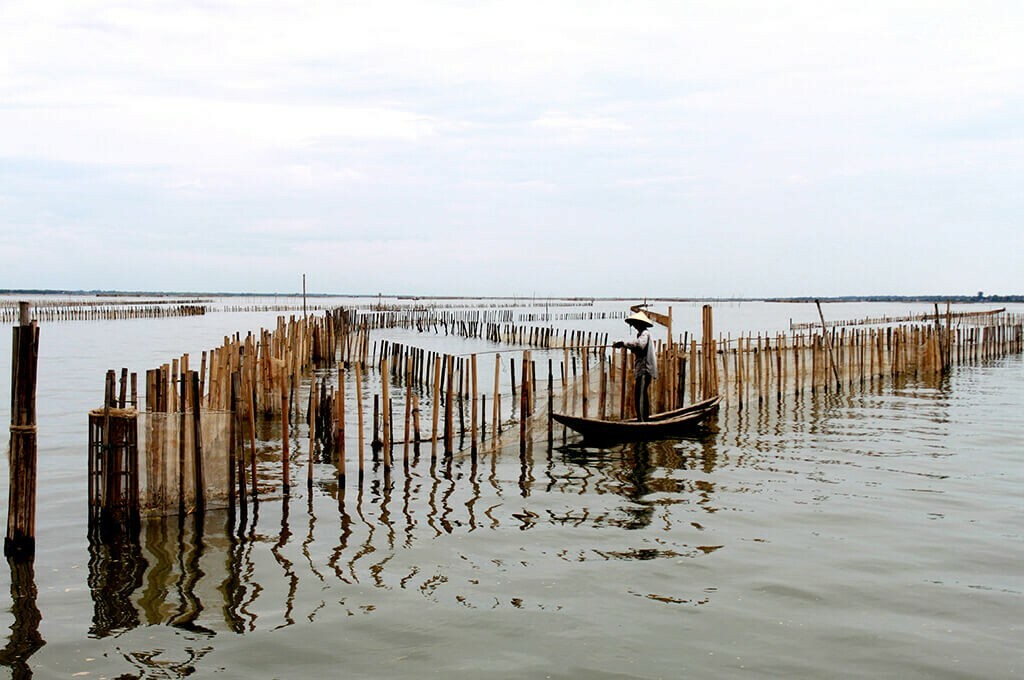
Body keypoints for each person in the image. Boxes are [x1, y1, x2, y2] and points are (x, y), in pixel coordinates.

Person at [613, 311, 659, 421]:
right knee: (640, 394)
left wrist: (623, 343)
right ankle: (643, 419)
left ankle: (643, 422)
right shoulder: (640, 334)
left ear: (640, 324)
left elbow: (640, 345)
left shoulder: (645, 334)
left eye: (635, 324)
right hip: (641, 370)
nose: (634, 326)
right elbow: (637, 347)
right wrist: (623, 345)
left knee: (640, 395)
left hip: (645, 369)